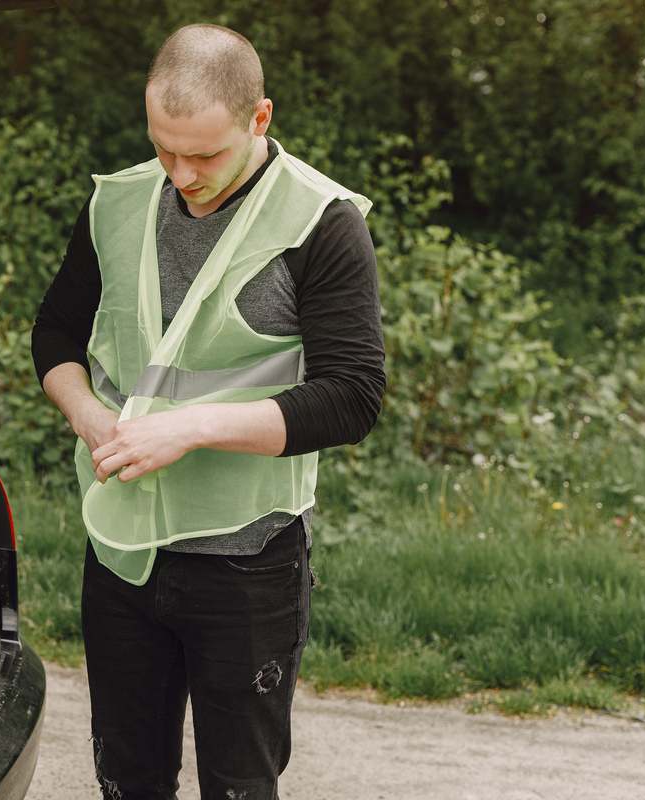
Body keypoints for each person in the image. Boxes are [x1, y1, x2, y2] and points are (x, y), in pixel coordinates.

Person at [31, 23, 385, 800]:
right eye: (165, 149)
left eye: (205, 154)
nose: (183, 174)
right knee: (127, 778)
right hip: (122, 553)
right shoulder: (118, 204)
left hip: (247, 564)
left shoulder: (322, 223)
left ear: (260, 119)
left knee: (238, 785)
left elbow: (353, 396)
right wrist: (91, 417)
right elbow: (54, 333)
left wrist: (187, 428)